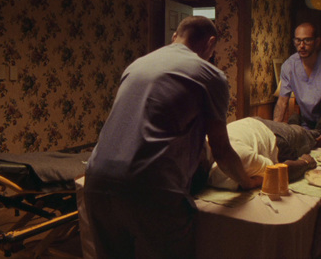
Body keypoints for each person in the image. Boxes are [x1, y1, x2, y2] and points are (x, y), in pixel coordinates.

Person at [83, 16, 261, 259]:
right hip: (151, 188)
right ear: (210, 43)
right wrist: (247, 181)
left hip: (96, 180)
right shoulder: (209, 75)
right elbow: (221, 149)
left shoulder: (136, 66)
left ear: (175, 37)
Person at [273, 22, 321, 149]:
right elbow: (282, 102)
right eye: (298, 41)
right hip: (308, 121)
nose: (301, 46)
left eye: (307, 41)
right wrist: (274, 130)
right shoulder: (289, 66)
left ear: (317, 41)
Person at [199, 117, 317, 191]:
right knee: (300, 131)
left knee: (308, 137)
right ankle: (297, 121)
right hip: (248, 126)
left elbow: (277, 173)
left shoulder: (236, 156)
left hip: (272, 133)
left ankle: (317, 130)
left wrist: (306, 162)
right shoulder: (214, 175)